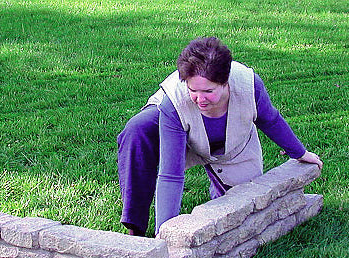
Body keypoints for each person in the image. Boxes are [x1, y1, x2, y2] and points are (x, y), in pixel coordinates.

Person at [117, 37, 323, 236]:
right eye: (193, 90)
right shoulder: (174, 103)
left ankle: (220, 186)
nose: (200, 99)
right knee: (138, 130)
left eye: (208, 91)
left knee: (241, 213)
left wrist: (300, 153)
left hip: (233, 144)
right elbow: (171, 174)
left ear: (225, 82)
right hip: (182, 130)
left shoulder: (249, 86)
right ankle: (135, 229)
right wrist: (165, 234)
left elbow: (270, 120)